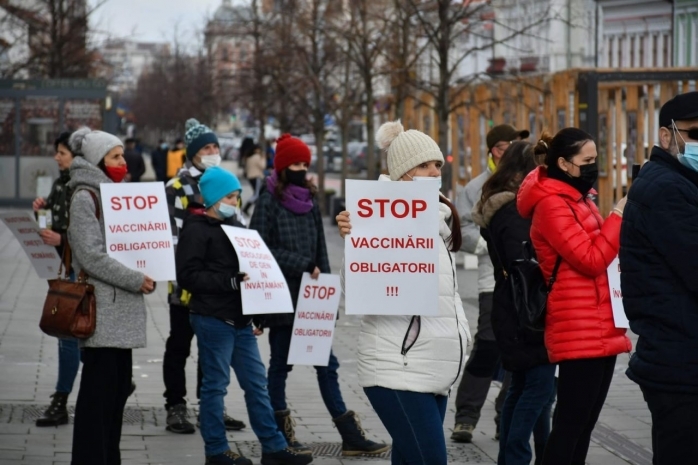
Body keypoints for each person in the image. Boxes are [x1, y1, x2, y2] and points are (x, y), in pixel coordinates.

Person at [335, 121, 471, 464]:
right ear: (402, 172)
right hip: (398, 366)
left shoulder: (439, 219)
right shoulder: (374, 218)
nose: (434, 171)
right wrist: (354, 240)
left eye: (437, 164)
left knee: (411, 458)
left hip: (434, 368)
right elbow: (357, 291)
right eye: (424, 165)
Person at [249, 134, 388, 457]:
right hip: (281, 297)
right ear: (282, 166)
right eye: (295, 164)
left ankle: (349, 435)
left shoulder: (311, 199)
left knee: (327, 365)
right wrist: (302, 265)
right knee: (281, 366)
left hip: (312, 300)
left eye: (304, 164)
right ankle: (279, 436)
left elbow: (320, 250)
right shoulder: (268, 201)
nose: (301, 169)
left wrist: (327, 296)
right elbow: (258, 248)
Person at [176, 166, 312, 465]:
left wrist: (259, 313)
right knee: (215, 386)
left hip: (240, 320)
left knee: (256, 384)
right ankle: (216, 450)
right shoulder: (196, 230)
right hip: (212, 319)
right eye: (229, 196)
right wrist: (230, 282)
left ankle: (273, 446)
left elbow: (255, 270)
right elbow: (187, 276)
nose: (235, 202)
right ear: (212, 198)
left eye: (237, 196)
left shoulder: (236, 226)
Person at [516, 127, 632, 465]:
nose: (594, 166)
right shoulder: (552, 205)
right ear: (565, 164)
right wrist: (619, 216)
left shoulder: (578, 198)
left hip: (598, 321)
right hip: (577, 325)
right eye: (588, 160)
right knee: (569, 425)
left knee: (584, 425)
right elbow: (591, 259)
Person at [66, 127, 155, 465]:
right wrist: (136, 278)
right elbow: (90, 255)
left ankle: (107, 457)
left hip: (121, 312)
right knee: (97, 398)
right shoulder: (85, 197)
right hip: (102, 312)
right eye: (116, 157)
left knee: (115, 396)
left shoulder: (114, 194)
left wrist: (151, 265)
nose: (123, 162)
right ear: (97, 160)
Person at [620, 91, 698, 464]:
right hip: (680, 363)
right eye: (695, 132)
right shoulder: (666, 189)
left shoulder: (679, 183)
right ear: (666, 137)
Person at [472, 141, 555, 465]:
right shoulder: (513, 210)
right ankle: (517, 457)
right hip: (525, 311)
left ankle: (516, 456)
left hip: (514, 307)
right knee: (537, 389)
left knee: (523, 387)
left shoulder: (506, 206)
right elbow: (524, 264)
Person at [163, 118, 246, 434]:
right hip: (187, 285)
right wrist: (183, 275)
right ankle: (176, 405)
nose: (212, 152)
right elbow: (171, 237)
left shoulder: (224, 182)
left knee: (212, 351)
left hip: (220, 288)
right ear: (193, 152)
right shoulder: (177, 188)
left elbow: (238, 229)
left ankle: (211, 407)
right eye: (206, 147)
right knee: (180, 346)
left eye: (215, 147)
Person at [452, 124, 530, 443]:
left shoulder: (531, 181)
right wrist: (488, 246)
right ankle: (466, 416)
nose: (507, 151)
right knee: (487, 344)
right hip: (490, 279)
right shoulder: (476, 186)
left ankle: (504, 415)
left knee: (518, 348)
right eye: (501, 146)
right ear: (490, 151)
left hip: (525, 280)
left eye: (512, 145)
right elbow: (462, 227)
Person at [32, 131, 81, 427]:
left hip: (81, 271)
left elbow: (92, 234)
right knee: (69, 335)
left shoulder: (83, 188)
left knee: (71, 336)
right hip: (65, 270)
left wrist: (61, 236)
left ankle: (61, 402)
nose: (56, 157)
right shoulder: (60, 185)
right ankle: (115, 379)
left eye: (62, 152)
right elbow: (48, 228)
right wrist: (40, 213)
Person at [242, 144, 266, 216]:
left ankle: (255, 209)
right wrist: (263, 158)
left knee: (257, 194)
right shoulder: (257, 157)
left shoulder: (249, 157)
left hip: (250, 177)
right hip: (256, 177)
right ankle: (246, 208)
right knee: (256, 194)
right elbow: (263, 166)